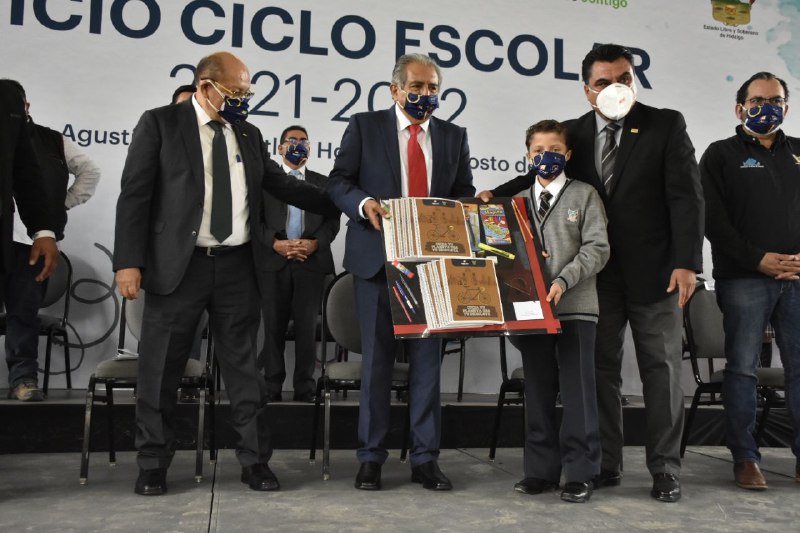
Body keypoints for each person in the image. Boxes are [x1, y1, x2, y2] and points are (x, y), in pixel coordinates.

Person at [113, 51, 338, 496]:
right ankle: (153, 464)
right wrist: (127, 262)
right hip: (179, 267)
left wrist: (346, 199)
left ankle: (255, 462)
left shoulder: (248, 134)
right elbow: (134, 195)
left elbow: (284, 185)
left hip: (238, 267)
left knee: (244, 372)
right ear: (205, 86)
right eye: (235, 92)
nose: (243, 100)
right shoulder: (160, 123)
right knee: (161, 371)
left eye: (246, 93)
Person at [563, 44, 704, 502]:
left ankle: (665, 468)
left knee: (661, 371)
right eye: (603, 82)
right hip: (595, 278)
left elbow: (687, 197)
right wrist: (492, 195)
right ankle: (606, 463)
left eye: (624, 78)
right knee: (599, 370)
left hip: (658, 274)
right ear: (587, 90)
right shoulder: (571, 133)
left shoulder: (666, 124)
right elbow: (543, 181)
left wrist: (688, 263)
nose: (615, 88)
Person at [327, 53, 475, 491]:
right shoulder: (365, 126)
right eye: (416, 87)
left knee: (428, 368)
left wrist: (468, 210)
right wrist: (363, 204)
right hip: (376, 263)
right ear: (395, 90)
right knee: (376, 364)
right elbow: (338, 181)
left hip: (431, 267)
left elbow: (463, 193)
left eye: (432, 88)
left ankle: (425, 459)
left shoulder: (454, 136)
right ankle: (371, 458)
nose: (425, 94)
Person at [478, 119, 609, 503]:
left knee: (578, 392)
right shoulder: (514, 202)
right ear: (527, 156)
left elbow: (598, 249)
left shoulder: (585, 195)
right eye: (539, 151)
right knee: (537, 390)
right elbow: (498, 251)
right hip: (529, 311)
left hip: (576, 308)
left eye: (554, 150)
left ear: (568, 154)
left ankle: (581, 473)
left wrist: (563, 279)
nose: (546, 156)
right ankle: (540, 471)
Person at [700, 71, 800, 490]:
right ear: (739, 108)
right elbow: (712, 220)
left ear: (787, 108)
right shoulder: (720, 154)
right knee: (742, 369)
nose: (766, 107)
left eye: (775, 100)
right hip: (744, 278)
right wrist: (758, 260)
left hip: (797, 276)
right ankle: (745, 458)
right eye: (757, 101)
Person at [2, 79, 100, 402]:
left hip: (30, 243)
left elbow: (88, 171)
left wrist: (55, 211)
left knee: (23, 312)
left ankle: (23, 379)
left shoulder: (49, 139)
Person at [259, 125, 339, 402]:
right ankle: (271, 387)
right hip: (273, 262)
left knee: (306, 330)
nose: (298, 145)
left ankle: (305, 388)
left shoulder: (322, 183)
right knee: (272, 328)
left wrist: (314, 243)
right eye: (292, 140)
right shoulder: (266, 183)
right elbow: (254, 221)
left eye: (303, 141)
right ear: (280, 148)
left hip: (311, 263)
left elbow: (333, 222)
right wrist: (275, 243)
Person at [0, 80, 59, 397]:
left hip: (13, 239)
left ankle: (23, 378)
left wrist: (43, 230)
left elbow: (25, 173)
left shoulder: (8, 98)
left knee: (22, 313)